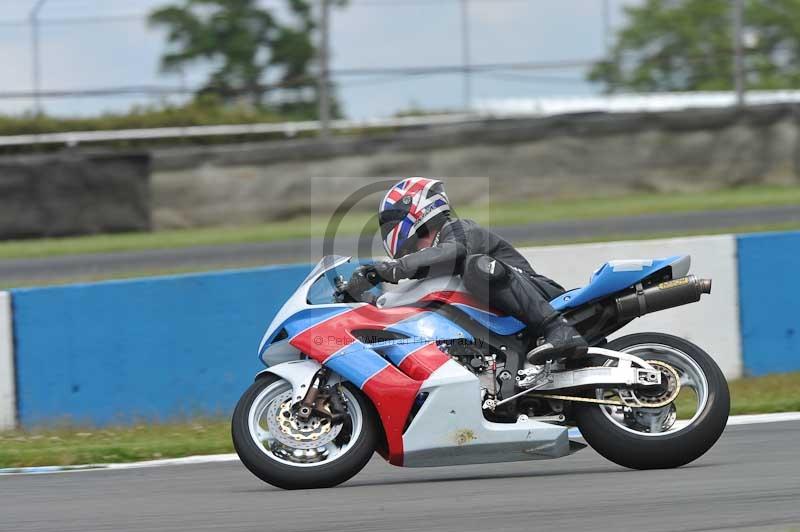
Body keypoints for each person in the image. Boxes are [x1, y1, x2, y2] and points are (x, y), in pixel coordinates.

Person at [350, 177, 588, 364]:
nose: (389, 229)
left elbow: (453, 252)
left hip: (543, 295)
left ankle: (558, 329)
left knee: (476, 266)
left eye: (393, 219)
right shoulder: (434, 262)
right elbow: (409, 296)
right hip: (509, 321)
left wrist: (390, 269)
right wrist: (366, 303)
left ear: (415, 209)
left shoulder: (458, 230)